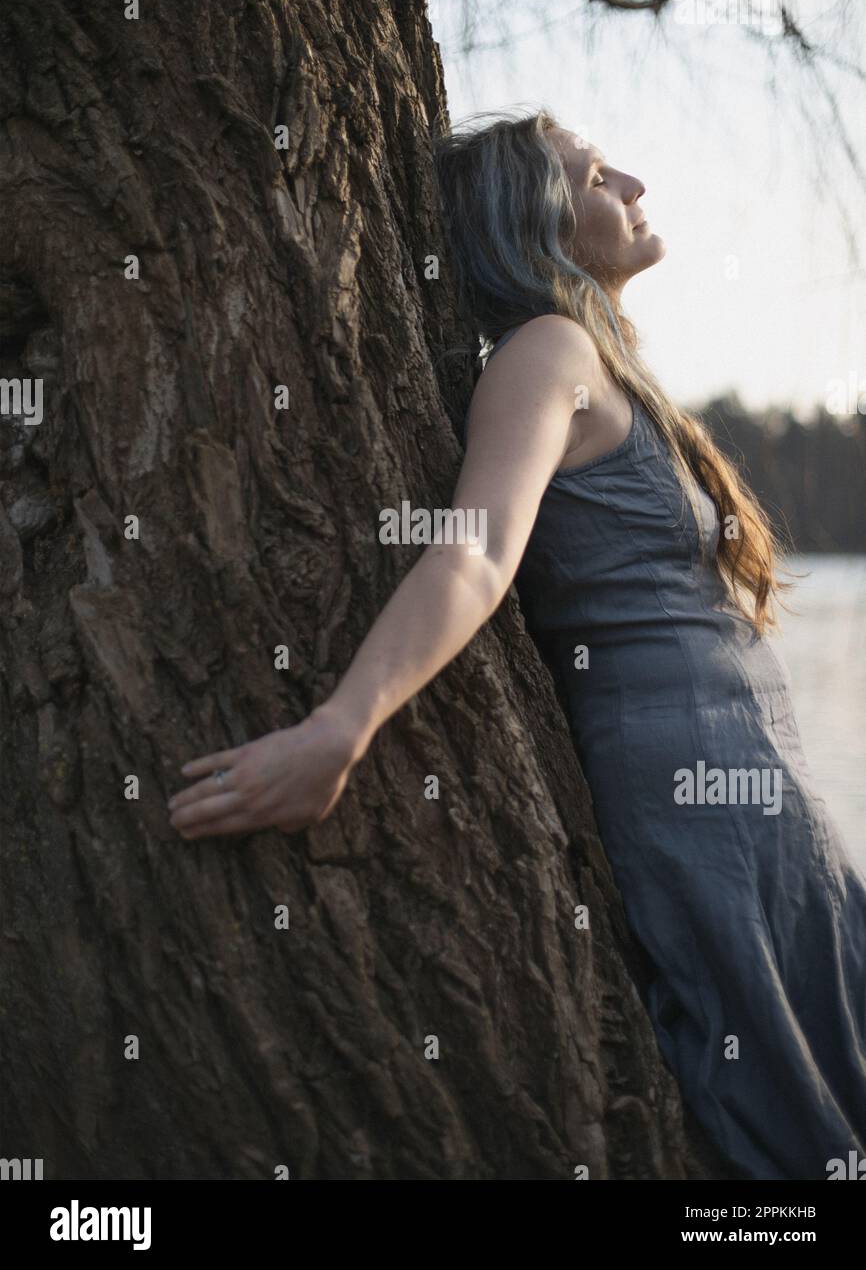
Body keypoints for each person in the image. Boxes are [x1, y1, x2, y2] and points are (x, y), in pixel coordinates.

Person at [167, 108, 866, 1181]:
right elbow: (473, 559)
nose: (631, 180)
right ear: (535, 223)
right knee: (780, 1124)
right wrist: (339, 727)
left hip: (753, 790)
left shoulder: (604, 366)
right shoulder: (545, 352)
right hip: (691, 796)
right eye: (593, 174)